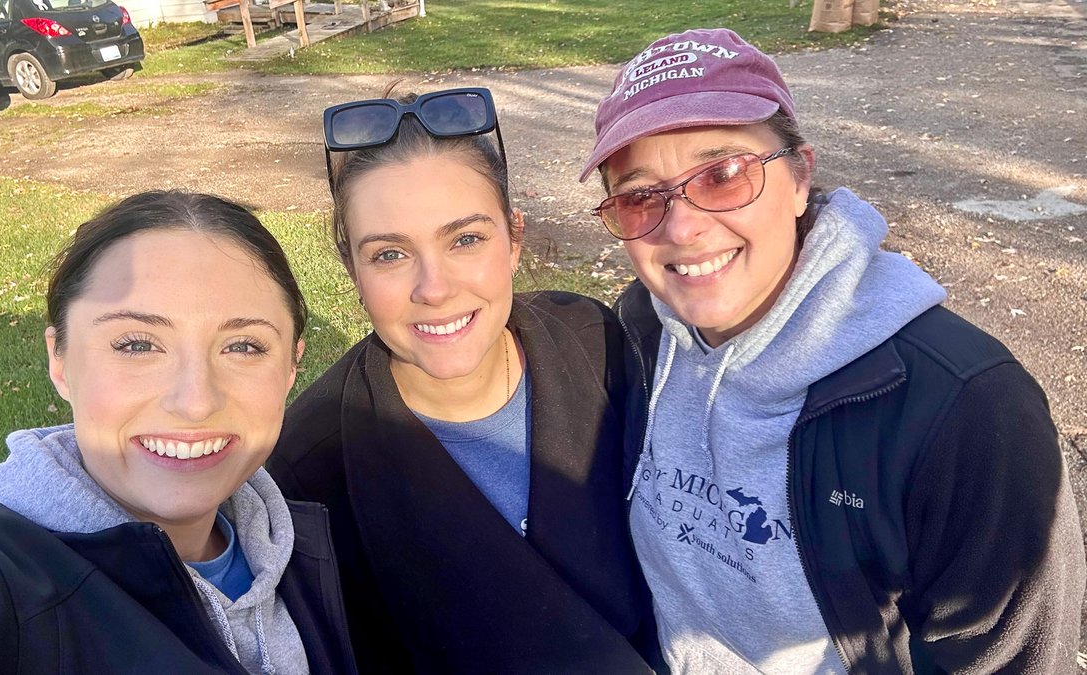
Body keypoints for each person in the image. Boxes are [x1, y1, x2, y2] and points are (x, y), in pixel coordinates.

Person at [579, 27, 1086, 674]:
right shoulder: (638, 334)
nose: (681, 227)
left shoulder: (967, 408)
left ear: (799, 178)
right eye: (640, 195)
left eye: (724, 174)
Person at [267, 87, 656, 673]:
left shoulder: (595, 343)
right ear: (351, 269)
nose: (435, 288)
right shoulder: (309, 472)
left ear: (514, 238)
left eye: (466, 240)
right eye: (390, 255)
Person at [0, 191, 356, 674]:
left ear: (291, 365)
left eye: (242, 346)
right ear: (60, 360)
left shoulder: (302, 537)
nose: (195, 402)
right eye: (136, 345)